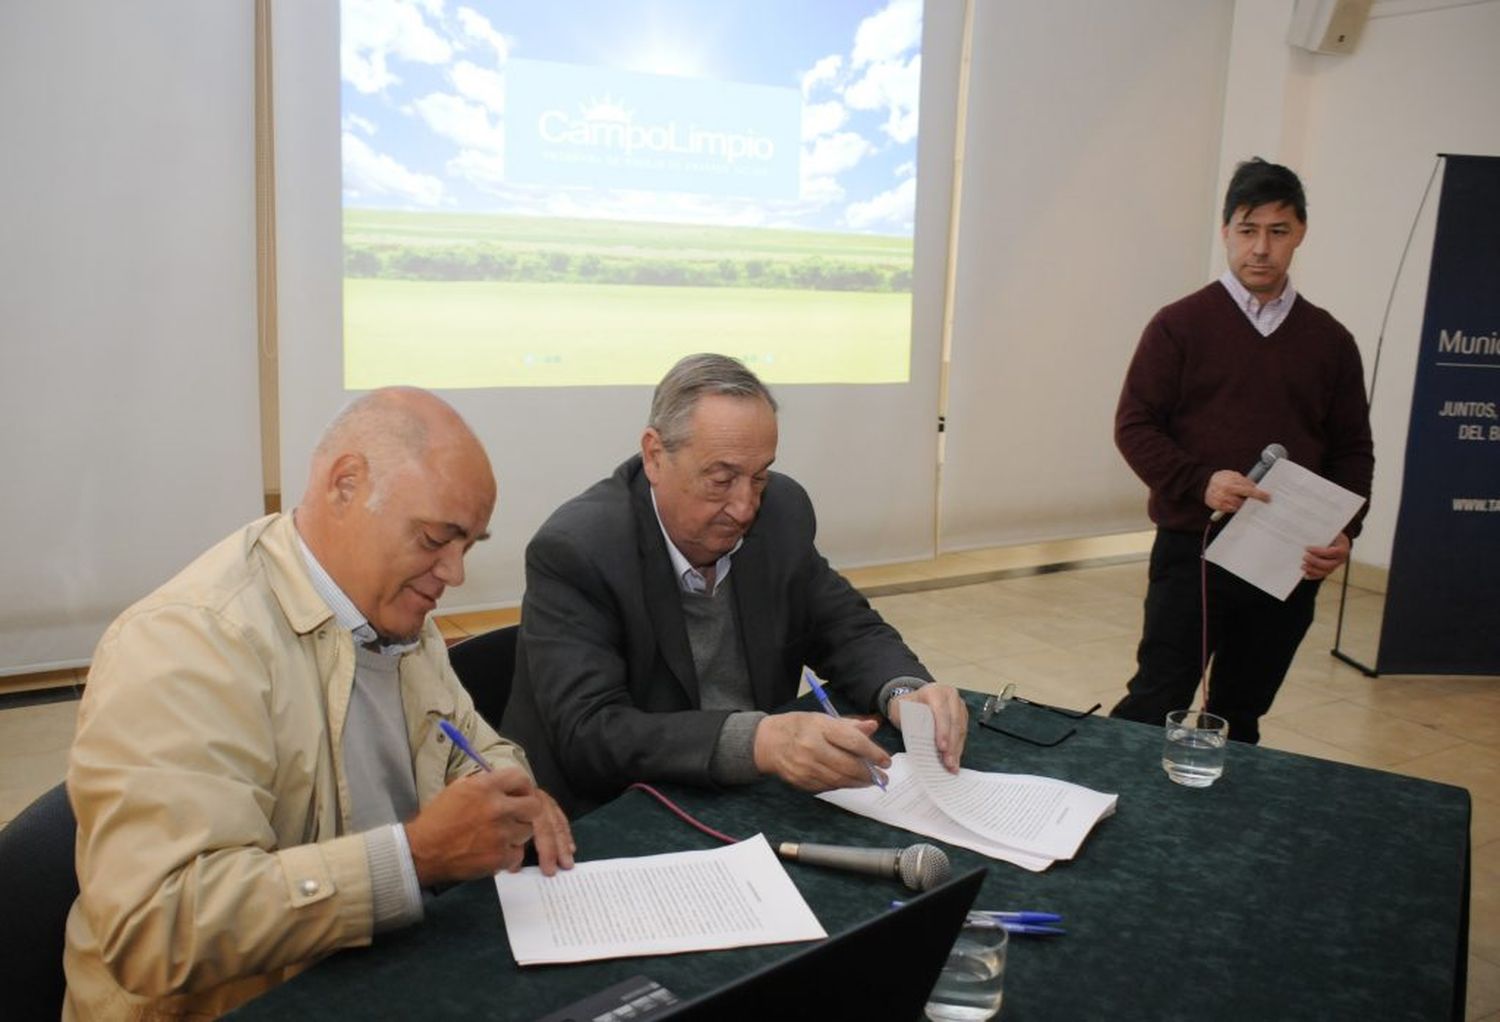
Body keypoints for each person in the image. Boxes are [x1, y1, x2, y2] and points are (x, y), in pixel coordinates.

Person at [64, 388, 575, 1020]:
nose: (454, 573)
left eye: (467, 545)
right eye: (435, 539)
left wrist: (510, 789)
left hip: (370, 974)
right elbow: (155, 927)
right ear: (344, 485)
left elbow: (468, 741)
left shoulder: (396, 613)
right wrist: (414, 856)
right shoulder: (188, 642)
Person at [502, 353, 970, 817]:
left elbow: (846, 627)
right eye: (720, 480)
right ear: (654, 456)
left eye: (759, 476)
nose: (745, 507)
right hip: (619, 810)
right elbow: (592, 734)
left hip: (750, 796)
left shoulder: (781, 511)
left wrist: (905, 693)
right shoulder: (579, 550)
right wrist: (760, 741)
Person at [1109, 157, 1374, 743]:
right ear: (1225, 230)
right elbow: (1135, 426)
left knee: (1241, 711)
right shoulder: (1179, 325)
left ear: (1300, 234)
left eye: (1278, 232)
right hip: (1193, 546)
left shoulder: (1330, 341)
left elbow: (1353, 450)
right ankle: (1114, 817)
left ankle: (1222, 826)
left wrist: (1345, 529)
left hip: (1288, 557)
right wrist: (1198, 481)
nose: (1261, 248)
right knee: (1158, 697)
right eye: (1248, 229)